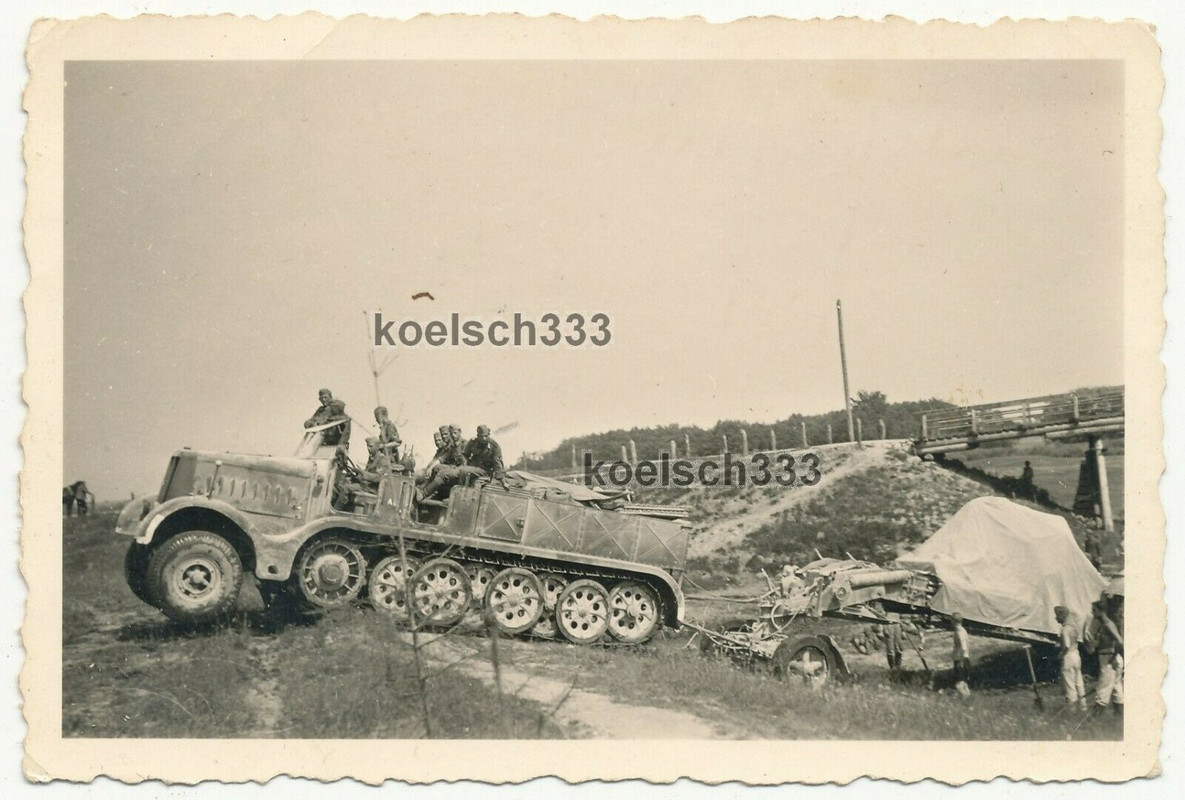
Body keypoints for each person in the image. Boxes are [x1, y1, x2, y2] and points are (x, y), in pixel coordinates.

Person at [1087, 600, 1124, 716]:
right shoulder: (1104, 625)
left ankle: (1095, 717)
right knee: (1116, 687)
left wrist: (1114, 657)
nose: (1092, 613)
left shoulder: (1108, 625)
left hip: (1109, 659)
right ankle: (1119, 715)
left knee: (1104, 687)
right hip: (1110, 658)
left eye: (1094, 610)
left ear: (1101, 611)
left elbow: (1120, 642)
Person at [1055, 606, 1087, 711]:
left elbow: (1067, 645)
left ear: (1062, 615)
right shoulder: (1073, 627)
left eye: (1057, 615)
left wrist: (1061, 654)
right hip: (1076, 655)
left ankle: (1072, 709)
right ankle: (1083, 706)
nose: (1056, 618)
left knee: (1069, 684)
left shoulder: (1065, 629)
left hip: (1068, 656)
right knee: (1079, 682)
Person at [950, 613, 972, 696]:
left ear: (954, 621)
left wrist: (961, 662)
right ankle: (967, 698)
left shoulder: (960, 632)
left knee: (959, 684)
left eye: (951, 620)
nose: (950, 622)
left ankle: (964, 699)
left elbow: (964, 647)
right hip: (964, 658)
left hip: (960, 659)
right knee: (964, 683)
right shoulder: (962, 630)